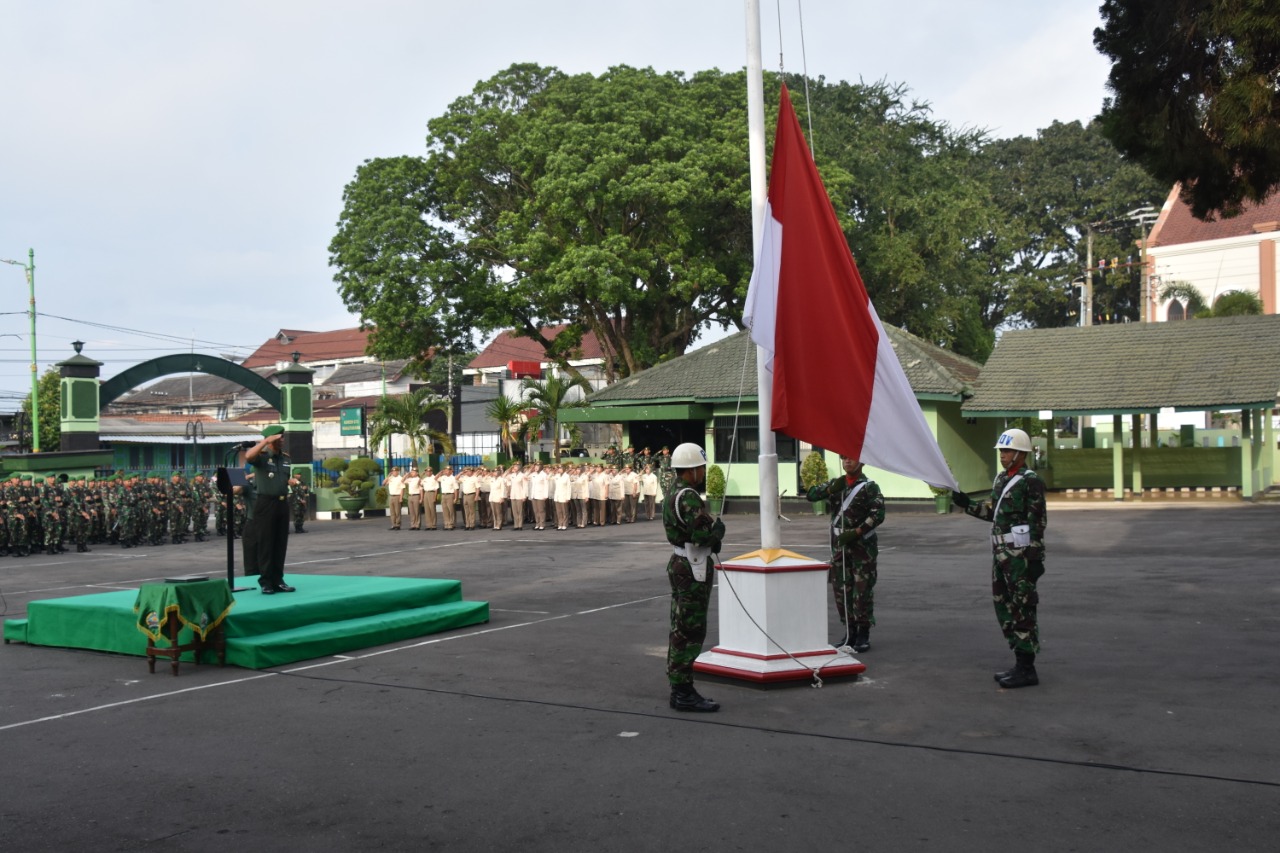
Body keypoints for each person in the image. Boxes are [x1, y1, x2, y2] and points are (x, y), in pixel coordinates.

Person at [953, 427, 1048, 689]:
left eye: (1006, 451)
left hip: (1021, 557)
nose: (1002, 455)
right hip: (1001, 555)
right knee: (1003, 606)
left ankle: (1028, 668)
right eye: (1001, 451)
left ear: (1020, 453)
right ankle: (1019, 661)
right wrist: (964, 502)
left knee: (1023, 608)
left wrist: (1035, 558)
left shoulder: (1031, 482)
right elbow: (990, 512)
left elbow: (1037, 522)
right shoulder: (1000, 480)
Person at [662, 442, 724, 713]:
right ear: (691, 469)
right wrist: (717, 533)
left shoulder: (672, 492)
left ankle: (680, 687)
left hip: (681, 561)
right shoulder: (688, 496)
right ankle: (683, 690)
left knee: (681, 626)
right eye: (701, 467)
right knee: (691, 629)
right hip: (692, 563)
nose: (703, 471)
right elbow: (701, 537)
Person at [807, 456, 885, 652]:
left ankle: (863, 633)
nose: (847, 461)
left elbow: (878, 514)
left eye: (851, 458)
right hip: (840, 546)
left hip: (861, 547)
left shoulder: (869, 487)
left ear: (862, 463)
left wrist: (858, 531)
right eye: (843, 457)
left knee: (862, 588)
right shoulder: (837, 484)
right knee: (842, 588)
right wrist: (830, 489)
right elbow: (811, 495)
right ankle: (849, 633)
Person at [245, 425, 295, 594]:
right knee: (266, 543)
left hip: (282, 504)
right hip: (265, 503)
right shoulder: (262, 457)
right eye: (279, 437)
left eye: (283, 437)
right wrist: (265, 442)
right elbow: (248, 456)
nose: (282, 440)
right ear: (271, 438)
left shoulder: (286, 459)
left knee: (280, 543)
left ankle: (278, 580)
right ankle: (266, 581)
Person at [421, 466, 439, 530]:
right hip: (426, 493)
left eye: (429, 471)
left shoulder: (434, 478)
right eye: (426, 472)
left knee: (432, 509)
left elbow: (436, 489)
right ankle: (428, 525)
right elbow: (419, 483)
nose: (427, 473)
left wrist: (435, 497)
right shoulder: (424, 479)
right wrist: (422, 475)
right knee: (427, 510)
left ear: (431, 472)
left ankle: (433, 525)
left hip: (432, 493)